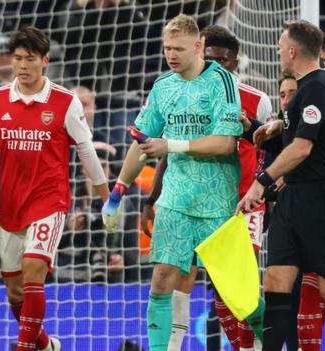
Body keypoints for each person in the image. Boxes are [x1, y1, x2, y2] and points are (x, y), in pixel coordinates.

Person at [0, 26, 110, 351]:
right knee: (15, 293)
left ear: (45, 61)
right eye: (18, 58)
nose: (22, 65)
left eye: (30, 59)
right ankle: (44, 344)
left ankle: (23, 347)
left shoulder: (65, 102)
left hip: (49, 201)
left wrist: (107, 197)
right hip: (11, 205)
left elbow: (86, 150)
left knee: (34, 272)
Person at [101, 14, 244, 351]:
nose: (172, 55)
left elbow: (225, 142)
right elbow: (143, 141)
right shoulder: (163, 85)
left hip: (217, 202)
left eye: (179, 48)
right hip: (176, 199)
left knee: (235, 292)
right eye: (167, 48)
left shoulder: (222, 82)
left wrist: (172, 144)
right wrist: (117, 192)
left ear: (199, 46)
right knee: (162, 279)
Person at [238, 20, 325, 350]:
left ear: (293, 50)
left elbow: (304, 147)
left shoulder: (317, 87)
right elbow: (294, 138)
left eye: (280, 45)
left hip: (320, 197)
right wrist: (263, 130)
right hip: (294, 197)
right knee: (276, 280)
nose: (277, 51)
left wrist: (260, 182)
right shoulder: (304, 89)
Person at [139, 24, 272, 350]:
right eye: (210, 57)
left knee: (235, 289)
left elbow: (271, 153)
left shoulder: (257, 100)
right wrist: (152, 199)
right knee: (178, 278)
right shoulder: (182, 91)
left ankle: (264, 341)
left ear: (235, 61)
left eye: (223, 59)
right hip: (190, 201)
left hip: (244, 204)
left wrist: (266, 193)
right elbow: (168, 151)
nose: (217, 64)